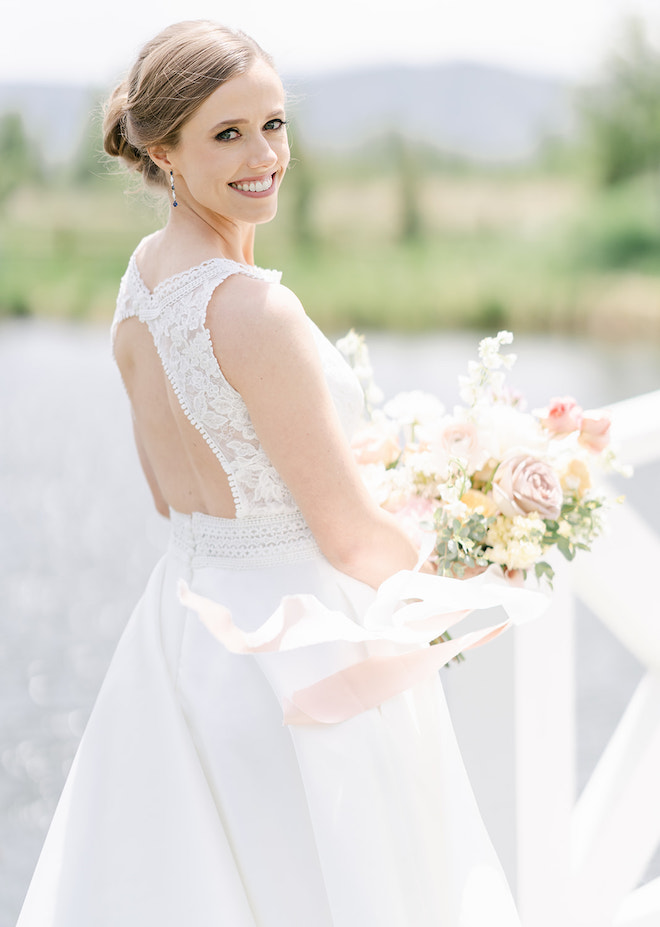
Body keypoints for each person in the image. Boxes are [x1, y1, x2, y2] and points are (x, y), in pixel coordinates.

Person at [16, 21, 531, 926]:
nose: (266, 156)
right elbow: (348, 537)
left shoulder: (139, 286)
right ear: (161, 150)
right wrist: (481, 561)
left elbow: (165, 491)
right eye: (228, 133)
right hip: (297, 655)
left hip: (182, 638)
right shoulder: (258, 308)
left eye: (276, 124)